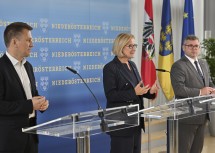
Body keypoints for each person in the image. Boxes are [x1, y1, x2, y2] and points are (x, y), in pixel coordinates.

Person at [103, 33, 159, 153]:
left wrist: (150, 92)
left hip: (135, 122)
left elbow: (139, 89)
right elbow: (111, 95)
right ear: (120, 46)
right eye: (130, 46)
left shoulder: (132, 65)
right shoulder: (110, 68)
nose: (133, 49)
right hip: (121, 124)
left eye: (135, 45)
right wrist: (134, 92)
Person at [0, 22, 49, 153]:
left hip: (31, 137)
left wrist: (41, 103)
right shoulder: (1, 67)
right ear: (15, 42)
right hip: (10, 141)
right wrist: (29, 105)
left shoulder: (28, 67)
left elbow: (32, 95)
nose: (32, 44)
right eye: (28, 40)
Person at [170, 35, 215, 153]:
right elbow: (179, 89)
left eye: (196, 46)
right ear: (183, 47)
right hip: (187, 116)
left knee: (197, 150)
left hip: (203, 114)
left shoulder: (203, 63)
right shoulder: (178, 65)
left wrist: (213, 90)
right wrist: (201, 92)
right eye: (190, 46)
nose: (194, 48)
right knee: (184, 150)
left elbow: (209, 82)